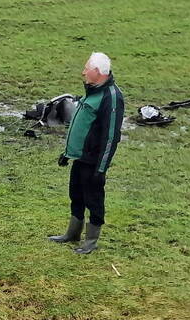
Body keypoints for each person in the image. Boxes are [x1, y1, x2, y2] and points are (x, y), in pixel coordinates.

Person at [49, 52, 125, 254]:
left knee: (94, 200)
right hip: (81, 158)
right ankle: (72, 234)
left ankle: (90, 241)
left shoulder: (112, 97)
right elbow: (81, 125)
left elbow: (110, 136)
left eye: (86, 69)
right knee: (76, 195)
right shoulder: (93, 91)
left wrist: (101, 168)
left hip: (94, 161)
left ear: (98, 72)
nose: (83, 72)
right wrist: (68, 153)